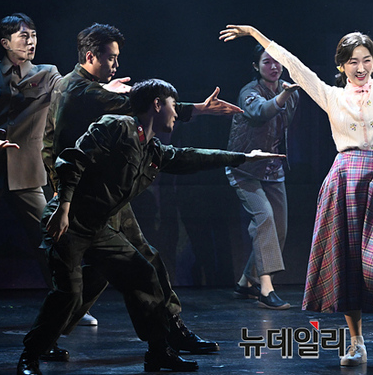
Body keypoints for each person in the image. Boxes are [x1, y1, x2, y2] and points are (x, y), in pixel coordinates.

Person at [220, 0, 373, 368]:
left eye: (366, 60)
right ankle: (356, 342)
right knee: (348, 264)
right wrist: (256, 34)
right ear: (342, 66)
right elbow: (294, 64)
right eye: (353, 61)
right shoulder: (331, 95)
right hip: (344, 180)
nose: (361, 67)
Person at [16, 78, 284, 375]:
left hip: (100, 228)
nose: (175, 113)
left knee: (144, 273)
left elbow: (189, 156)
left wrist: (244, 157)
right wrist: (64, 207)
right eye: (173, 105)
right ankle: (30, 355)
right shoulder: (117, 126)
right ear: (157, 104)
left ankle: (159, 352)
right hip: (69, 223)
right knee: (68, 295)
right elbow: (72, 159)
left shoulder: (152, 149)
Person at [43, 23, 241, 353]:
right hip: (88, 197)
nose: (115, 65)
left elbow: (53, 142)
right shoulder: (78, 89)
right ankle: (168, 332)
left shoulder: (82, 86)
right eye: (110, 58)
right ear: (90, 56)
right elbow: (61, 143)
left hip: (103, 194)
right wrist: (198, 109)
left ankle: (168, 329)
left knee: (112, 269)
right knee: (139, 261)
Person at [0, 13, 61, 284]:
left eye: (33, 36)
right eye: (24, 36)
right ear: (5, 42)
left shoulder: (47, 73)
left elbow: (71, 89)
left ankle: (66, 300)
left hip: (27, 172)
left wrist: (101, 86)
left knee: (48, 241)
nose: (31, 41)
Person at [226, 44, 300, 309]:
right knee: (264, 218)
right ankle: (265, 289)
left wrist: (286, 94)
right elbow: (261, 112)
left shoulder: (291, 93)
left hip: (272, 168)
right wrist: (282, 96)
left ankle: (245, 282)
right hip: (245, 168)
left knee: (278, 229)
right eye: (267, 62)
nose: (273, 66)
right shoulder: (249, 92)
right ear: (256, 67)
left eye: (277, 61)